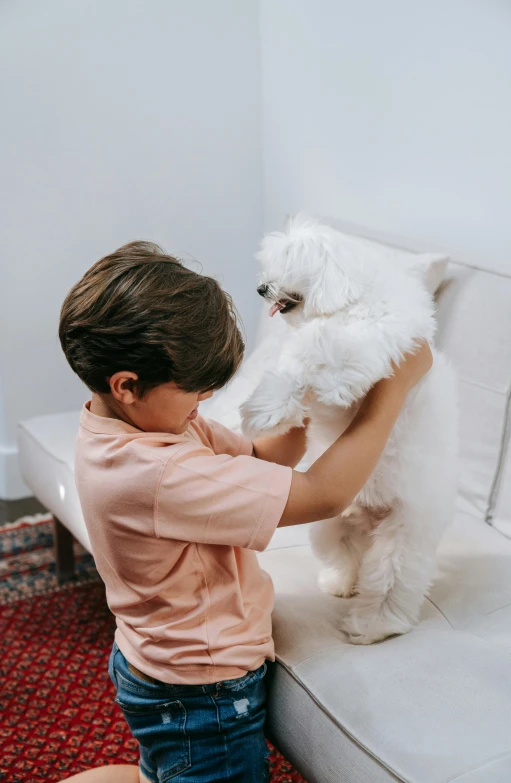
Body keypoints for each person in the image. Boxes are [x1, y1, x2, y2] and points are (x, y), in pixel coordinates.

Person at [58, 241, 432, 783]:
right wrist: (391, 391)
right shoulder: (160, 472)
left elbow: (263, 456)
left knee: (157, 773)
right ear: (128, 386)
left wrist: (303, 390)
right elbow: (322, 495)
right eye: (195, 390)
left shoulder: (133, 426)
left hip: (155, 662)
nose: (205, 401)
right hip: (202, 691)